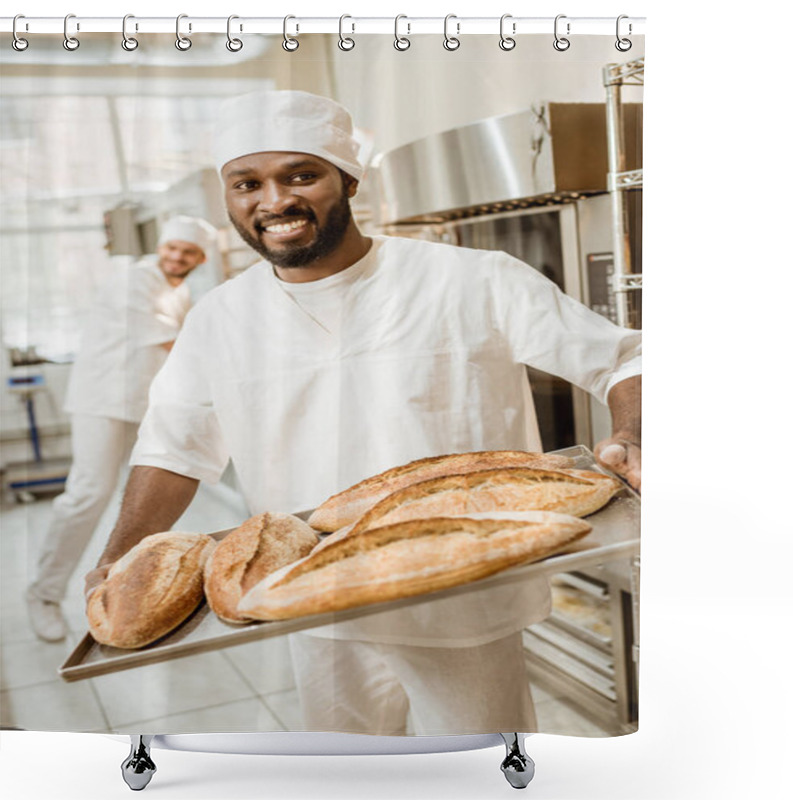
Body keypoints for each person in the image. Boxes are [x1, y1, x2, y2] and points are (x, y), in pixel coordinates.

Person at [85, 90, 641, 735]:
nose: (274, 201)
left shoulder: (472, 278)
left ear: (348, 179)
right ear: (228, 198)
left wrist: (632, 432)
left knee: (480, 773)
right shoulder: (218, 319)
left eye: (301, 175)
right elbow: (172, 449)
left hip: (460, 591)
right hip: (311, 596)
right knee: (349, 769)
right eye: (248, 183)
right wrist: (118, 559)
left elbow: (623, 360)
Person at [26, 216, 215, 642]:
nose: (177, 257)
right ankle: (43, 593)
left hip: (144, 405)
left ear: (201, 259)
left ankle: (138, 590)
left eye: (188, 252)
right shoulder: (136, 280)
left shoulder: (179, 289)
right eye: (172, 248)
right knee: (89, 494)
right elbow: (178, 344)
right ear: (161, 248)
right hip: (103, 402)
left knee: (144, 503)